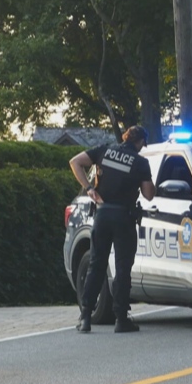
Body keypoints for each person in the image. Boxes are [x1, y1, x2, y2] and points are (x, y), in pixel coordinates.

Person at [69, 125, 155, 333]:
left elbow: (75, 162)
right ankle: (121, 319)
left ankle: (86, 317)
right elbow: (148, 194)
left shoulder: (104, 150)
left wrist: (89, 188)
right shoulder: (140, 162)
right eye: (143, 143)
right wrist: (149, 181)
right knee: (123, 267)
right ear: (140, 141)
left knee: (96, 265)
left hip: (102, 214)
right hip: (124, 217)